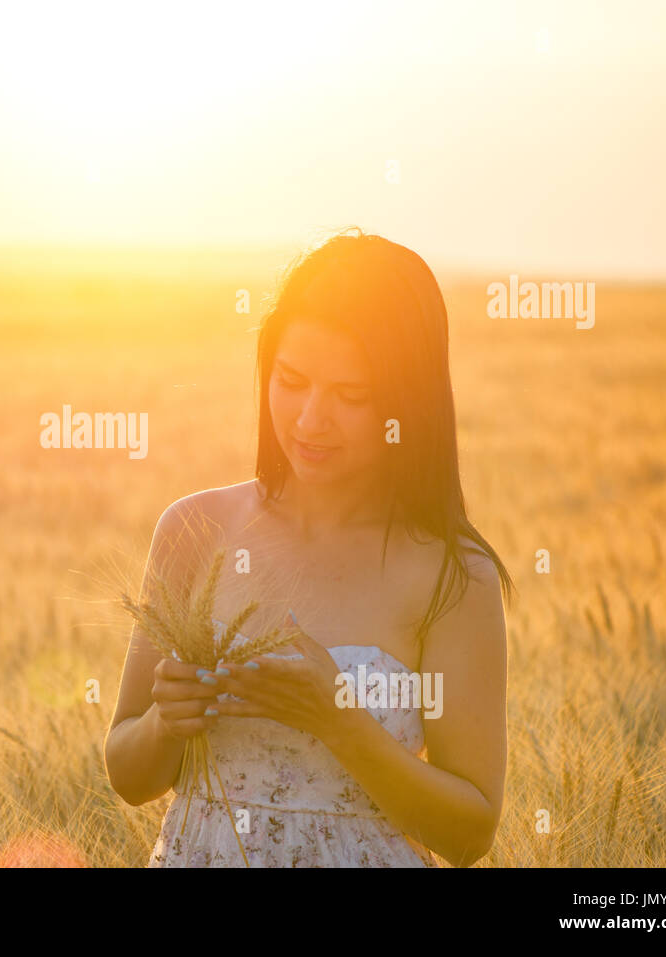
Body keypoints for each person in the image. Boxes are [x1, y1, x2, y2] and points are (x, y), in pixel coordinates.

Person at [103, 228, 513, 867]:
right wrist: (166, 719)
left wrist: (339, 721)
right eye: (291, 380)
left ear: (408, 403)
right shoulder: (194, 529)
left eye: (351, 396)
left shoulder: (453, 575)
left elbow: (471, 834)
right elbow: (129, 776)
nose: (309, 419)